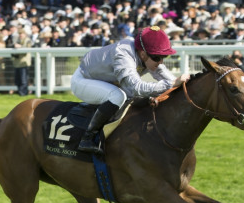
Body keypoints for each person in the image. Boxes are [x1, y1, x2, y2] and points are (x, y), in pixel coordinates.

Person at [70, 26, 190, 155]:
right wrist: (171, 84)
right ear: (143, 54)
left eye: (164, 56)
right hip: (83, 79)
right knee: (118, 96)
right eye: (157, 57)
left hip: (108, 81)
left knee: (133, 98)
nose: (161, 62)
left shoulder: (148, 54)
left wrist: (181, 85)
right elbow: (137, 88)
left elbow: (170, 80)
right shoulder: (123, 53)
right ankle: (87, 138)